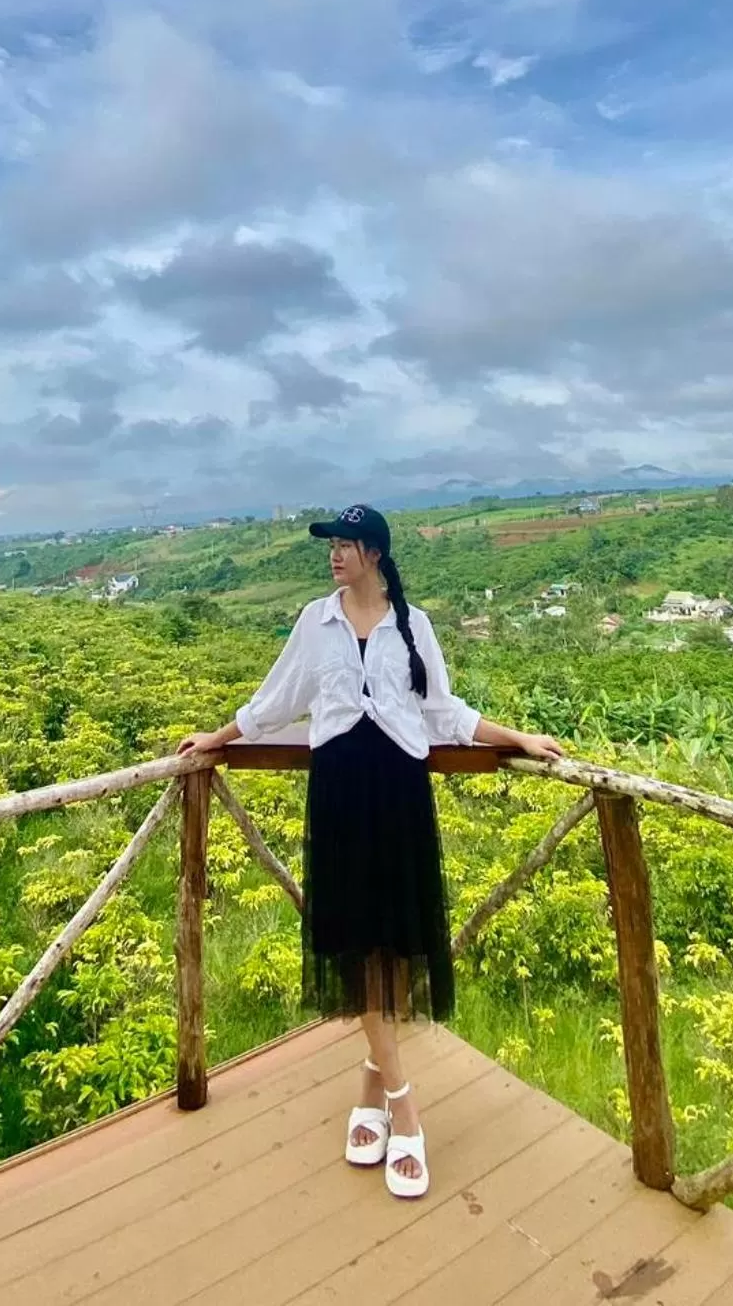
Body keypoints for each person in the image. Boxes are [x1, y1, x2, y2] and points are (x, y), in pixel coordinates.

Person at [177, 503, 564, 1200]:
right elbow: (276, 702)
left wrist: (520, 741)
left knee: (390, 944)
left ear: (376, 554)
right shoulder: (313, 622)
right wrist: (217, 737)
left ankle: (371, 1088)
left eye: (348, 544)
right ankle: (405, 1110)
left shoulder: (414, 626)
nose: (335, 555)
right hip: (340, 797)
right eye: (331, 544)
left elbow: (445, 713)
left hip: (399, 798)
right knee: (356, 944)